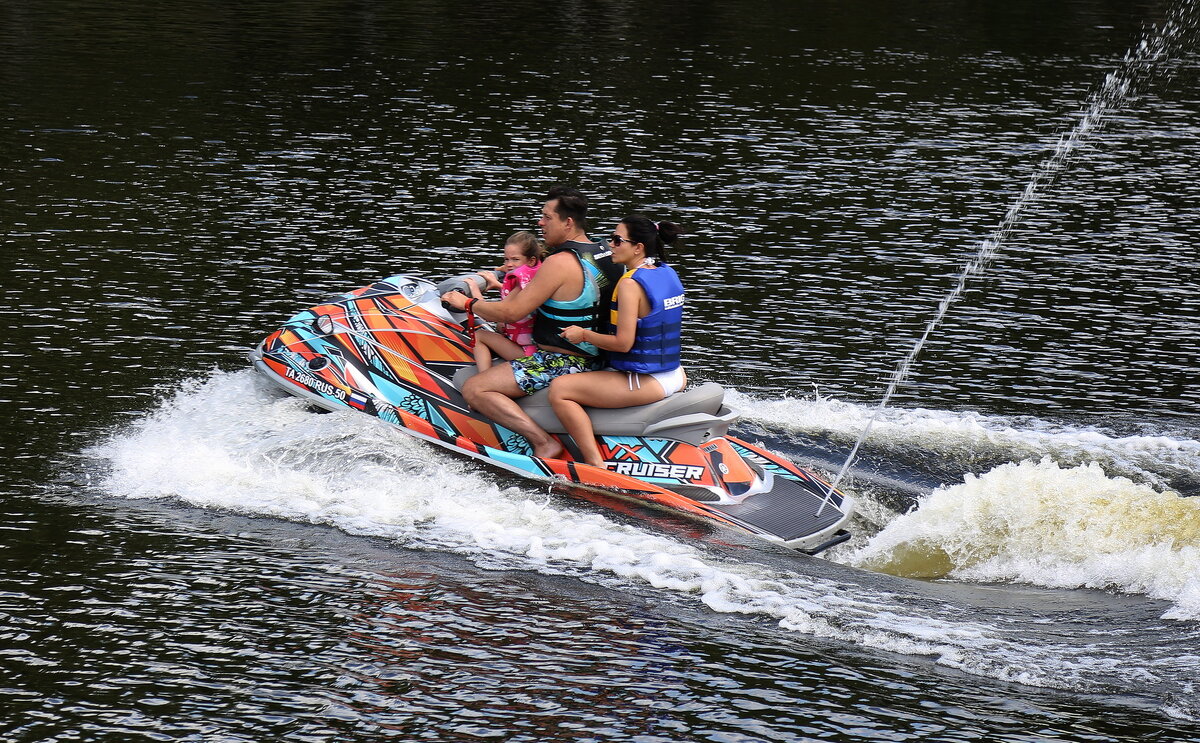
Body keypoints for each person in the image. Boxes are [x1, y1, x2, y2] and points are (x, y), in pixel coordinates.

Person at [440, 186, 623, 459]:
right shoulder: (605, 252)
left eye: (547, 217)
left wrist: (466, 303)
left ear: (567, 222)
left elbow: (511, 313)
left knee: (474, 389)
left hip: (562, 361)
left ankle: (542, 442)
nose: (540, 223)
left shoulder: (560, 262)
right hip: (600, 355)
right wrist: (505, 278)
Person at [549, 216, 686, 467]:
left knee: (560, 390)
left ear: (638, 247)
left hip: (645, 380)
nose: (609, 244)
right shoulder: (666, 272)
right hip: (675, 374)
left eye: (617, 240)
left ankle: (594, 463)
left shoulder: (630, 285)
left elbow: (623, 343)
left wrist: (583, 334)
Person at [468, 231, 545, 371]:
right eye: (506, 259)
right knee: (499, 326)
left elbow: (488, 313)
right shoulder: (536, 276)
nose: (509, 265)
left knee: (478, 335)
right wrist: (498, 284)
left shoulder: (523, 282)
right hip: (533, 347)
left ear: (531, 260)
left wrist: (473, 289)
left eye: (515, 259)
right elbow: (516, 297)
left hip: (527, 354)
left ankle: (484, 375)